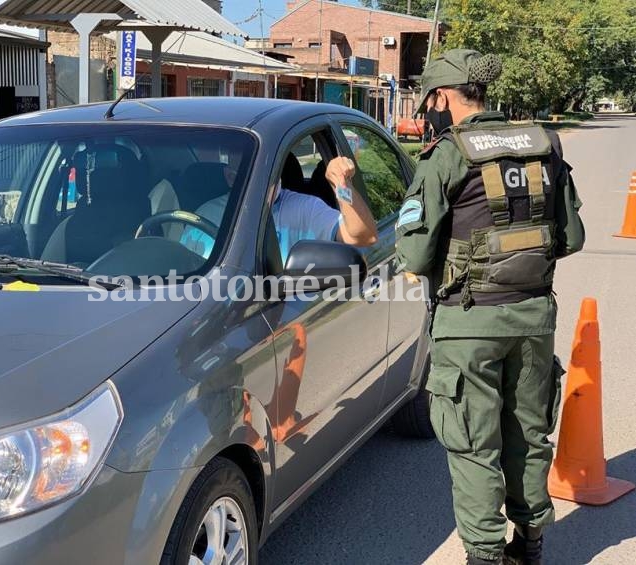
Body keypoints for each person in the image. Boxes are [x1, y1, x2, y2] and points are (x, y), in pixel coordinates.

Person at [395, 49, 585, 565]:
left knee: (474, 446)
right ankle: (531, 545)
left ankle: (484, 556)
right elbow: (571, 238)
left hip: (467, 323)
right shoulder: (542, 144)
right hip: (532, 317)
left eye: (428, 101)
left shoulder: (446, 155)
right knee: (527, 432)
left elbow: (413, 254)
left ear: (440, 97)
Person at [183, 156, 377, 261]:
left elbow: (362, 236)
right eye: (249, 174)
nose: (264, 182)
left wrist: (342, 186)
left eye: (268, 173)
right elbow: (183, 269)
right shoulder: (205, 215)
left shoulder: (305, 208)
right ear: (230, 178)